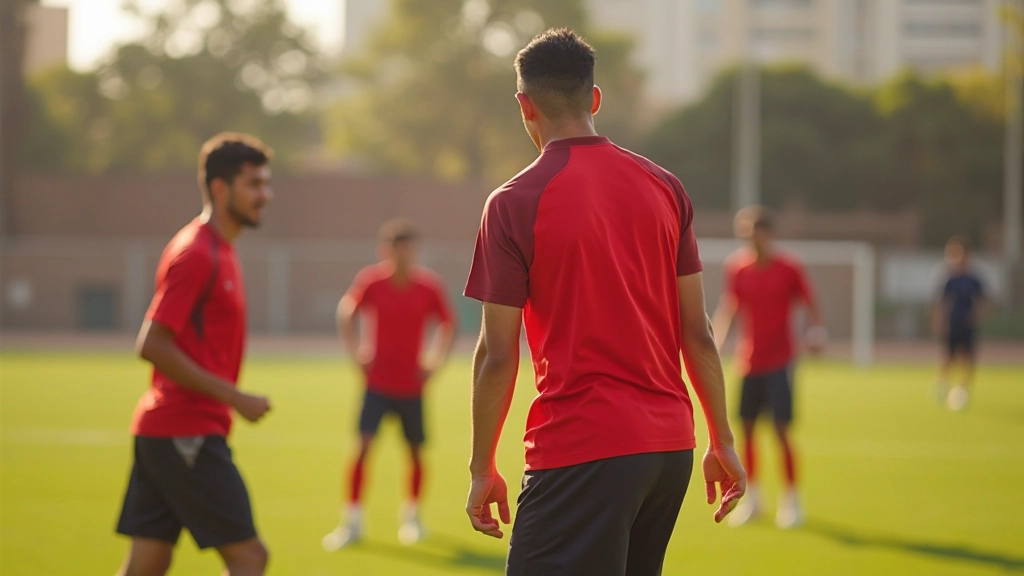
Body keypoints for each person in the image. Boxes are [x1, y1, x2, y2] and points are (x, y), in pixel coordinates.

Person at [463, 28, 745, 575]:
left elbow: (498, 354)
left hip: (582, 449)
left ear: (524, 105)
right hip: (669, 450)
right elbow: (699, 333)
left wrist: (481, 467)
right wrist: (722, 439)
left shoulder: (513, 201)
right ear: (595, 99)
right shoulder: (665, 186)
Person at [115, 133, 274, 576]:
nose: (266, 195)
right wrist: (235, 397)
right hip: (186, 430)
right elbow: (152, 343)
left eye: (266, 183)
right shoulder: (197, 253)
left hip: (165, 431)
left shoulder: (221, 249)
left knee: (147, 563)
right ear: (220, 188)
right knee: (250, 557)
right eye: (254, 184)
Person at [323, 219, 456, 550]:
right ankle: (352, 522)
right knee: (363, 447)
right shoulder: (372, 282)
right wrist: (357, 352)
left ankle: (412, 518)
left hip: (412, 386)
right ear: (387, 251)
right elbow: (346, 312)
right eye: (398, 249)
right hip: (378, 384)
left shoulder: (428, 287)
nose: (404, 255)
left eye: (410, 249)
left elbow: (448, 324)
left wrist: (434, 363)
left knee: (414, 452)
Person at [710, 205, 824, 530]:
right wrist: (716, 342)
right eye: (745, 234)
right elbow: (731, 307)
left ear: (769, 234)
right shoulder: (738, 268)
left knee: (781, 431)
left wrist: (816, 332)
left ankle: (791, 500)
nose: (750, 239)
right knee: (745, 431)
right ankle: (754, 498)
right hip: (749, 362)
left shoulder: (789, 268)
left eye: (755, 233)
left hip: (780, 361)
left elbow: (810, 303)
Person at [933, 235, 988, 411]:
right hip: (953, 323)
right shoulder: (950, 279)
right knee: (948, 356)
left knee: (967, 358)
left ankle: (963, 390)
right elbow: (942, 302)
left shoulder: (974, 279)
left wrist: (978, 315)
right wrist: (940, 320)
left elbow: (985, 300)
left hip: (968, 324)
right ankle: (942, 384)